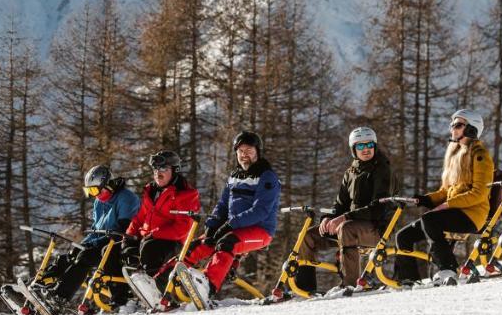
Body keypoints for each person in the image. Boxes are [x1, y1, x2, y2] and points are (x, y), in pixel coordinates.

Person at [393, 110, 494, 286]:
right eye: (452, 125)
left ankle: (448, 268)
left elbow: (480, 194)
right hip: (454, 211)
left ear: (471, 129)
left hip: (472, 215)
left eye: (458, 125)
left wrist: (447, 204)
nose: (453, 129)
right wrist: (425, 199)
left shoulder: (480, 155)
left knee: (430, 219)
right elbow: (446, 191)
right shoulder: (455, 155)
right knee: (404, 236)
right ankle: (408, 280)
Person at [295, 126, 393, 292]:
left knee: (346, 228)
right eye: (360, 146)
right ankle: (305, 287)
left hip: (376, 229)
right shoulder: (351, 172)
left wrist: (344, 218)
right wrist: (327, 218)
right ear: (353, 149)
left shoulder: (383, 170)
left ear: (375, 146)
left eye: (369, 145)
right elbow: (340, 204)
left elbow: (377, 208)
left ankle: (350, 284)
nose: (366, 150)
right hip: (349, 225)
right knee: (308, 236)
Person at [186, 131, 281, 299]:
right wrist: (212, 226)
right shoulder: (234, 176)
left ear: (258, 152)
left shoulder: (267, 177)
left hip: (260, 231)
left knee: (227, 242)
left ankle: (207, 286)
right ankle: (166, 281)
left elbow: (261, 210)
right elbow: (223, 204)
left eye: (249, 151)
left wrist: (230, 225)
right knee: (198, 245)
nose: (244, 155)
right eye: (241, 151)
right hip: (233, 228)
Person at [40, 164, 140, 309]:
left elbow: (124, 229)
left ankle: (60, 297)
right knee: (70, 255)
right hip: (101, 241)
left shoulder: (126, 198)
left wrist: (91, 245)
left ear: (108, 185)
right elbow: (96, 230)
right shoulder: (99, 202)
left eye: (95, 190)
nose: (94, 195)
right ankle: (40, 284)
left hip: (119, 242)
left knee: (84, 257)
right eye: (89, 191)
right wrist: (83, 244)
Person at [123, 150, 201, 286]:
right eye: (155, 169)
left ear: (175, 170)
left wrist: (155, 234)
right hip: (147, 238)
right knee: (114, 251)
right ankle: (122, 298)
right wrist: (129, 237)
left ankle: (157, 292)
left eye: (163, 168)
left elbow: (182, 228)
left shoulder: (185, 194)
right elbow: (139, 218)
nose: (157, 173)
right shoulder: (151, 191)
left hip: (171, 243)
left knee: (150, 248)